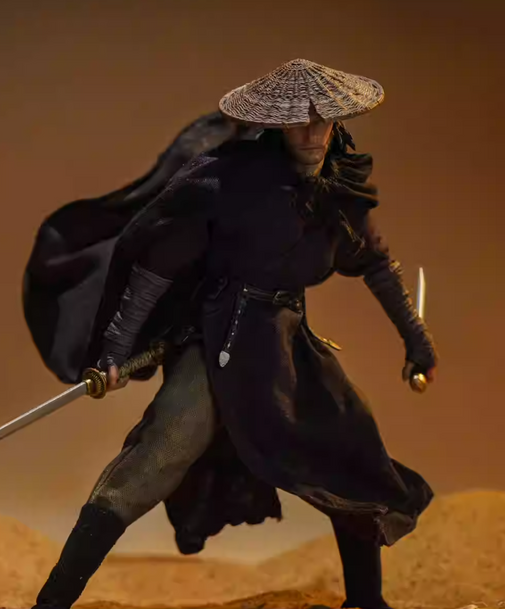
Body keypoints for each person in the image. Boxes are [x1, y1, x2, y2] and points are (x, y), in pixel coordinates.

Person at [24, 58, 438, 609]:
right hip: (219, 338)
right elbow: (157, 268)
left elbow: (377, 265)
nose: (311, 135)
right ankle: (51, 603)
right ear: (279, 126)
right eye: (298, 123)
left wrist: (416, 340)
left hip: (286, 344)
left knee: (352, 450)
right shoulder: (227, 183)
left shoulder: (339, 190)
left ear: (336, 121)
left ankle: (367, 602)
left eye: (321, 121)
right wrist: (115, 349)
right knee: (159, 454)